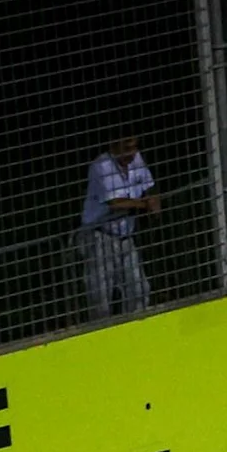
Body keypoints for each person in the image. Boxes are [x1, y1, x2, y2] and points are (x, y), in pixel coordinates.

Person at [80, 136, 161, 320]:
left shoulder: (136, 159)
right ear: (113, 147)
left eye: (134, 147)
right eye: (127, 148)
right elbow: (115, 203)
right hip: (100, 235)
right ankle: (100, 329)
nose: (132, 153)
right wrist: (145, 205)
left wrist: (153, 200)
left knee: (139, 289)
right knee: (101, 295)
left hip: (125, 235)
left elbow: (149, 186)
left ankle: (134, 326)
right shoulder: (101, 166)